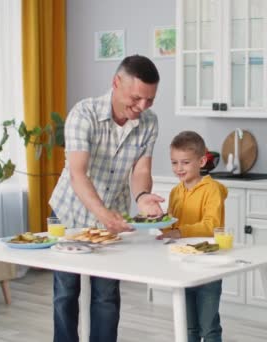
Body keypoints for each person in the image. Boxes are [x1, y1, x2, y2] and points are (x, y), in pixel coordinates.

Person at [49, 55, 164, 342]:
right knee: (66, 293)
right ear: (116, 83)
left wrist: (142, 196)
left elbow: (141, 168)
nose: (142, 107)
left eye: (149, 100)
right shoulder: (83, 114)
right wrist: (102, 214)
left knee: (106, 295)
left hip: (111, 215)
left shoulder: (149, 122)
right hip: (70, 214)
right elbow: (78, 173)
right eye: (137, 98)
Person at [157, 131, 228, 342]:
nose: (179, 168)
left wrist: (180, 231)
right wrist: (157, 220)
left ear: (201, 161)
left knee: (209, 327)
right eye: (174, 163)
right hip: (182, 263)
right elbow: (173, 227)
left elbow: (211, 225)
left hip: (208, 262)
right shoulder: (175, 192)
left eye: (185, 162)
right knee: (187, 327)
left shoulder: (212, 190)